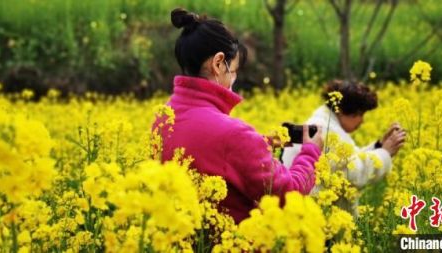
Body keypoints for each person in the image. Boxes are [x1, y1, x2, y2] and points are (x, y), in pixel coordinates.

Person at [152, 8, 324, 224]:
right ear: (218, 63)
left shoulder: (163, 117)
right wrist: (311, 152)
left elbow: (207, 155)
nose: (235, 77)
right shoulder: (233, 134)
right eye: (233, 70)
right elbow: (289, 194)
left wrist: (260, 144)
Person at [281, 79, 406, 215]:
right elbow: (354, 172)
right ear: (340, 110)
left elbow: (348, 160)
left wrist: (379, 146)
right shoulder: (323, 130)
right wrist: (385, 153)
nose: (362, 120)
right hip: (319, 218)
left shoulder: (326, 124)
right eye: (359, 114)